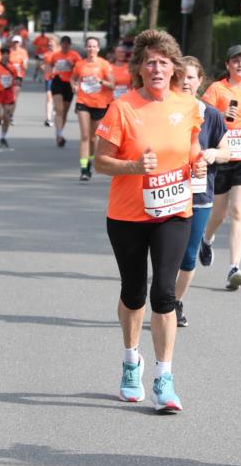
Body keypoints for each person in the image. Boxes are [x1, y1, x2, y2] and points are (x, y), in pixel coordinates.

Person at [95, 29, 206, 412]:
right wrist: (131, 165)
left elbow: (190, 144)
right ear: (139, 69)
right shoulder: (122, 108)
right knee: (133, 292)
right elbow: (100, 161)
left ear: (174, 68)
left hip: (174, 211)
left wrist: (198, 157)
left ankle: (164, 377)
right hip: (126, 215)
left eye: (164, 62)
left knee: (164, 293)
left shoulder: (188, 106)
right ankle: (130, 362)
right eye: (150, 62)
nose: (157, 68)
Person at [200, 44, 241, 290]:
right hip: (222, 155)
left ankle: (234, 268)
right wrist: (220, 112)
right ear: (228, 65)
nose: (240, 64)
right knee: (219, 214)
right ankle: (206, 240)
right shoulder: (217, 89)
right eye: (235, 61)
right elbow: (203, 118)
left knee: (239, 211)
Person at [174, 56, 230, 327]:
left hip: (199, 196)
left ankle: (175, 302)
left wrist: (213, 154)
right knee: (166, 255)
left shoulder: (213, 115)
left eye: (191, 77)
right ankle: (163, 299)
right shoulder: (163, 112)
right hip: (169, 195)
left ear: (200, 81)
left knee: (187, 256)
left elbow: (227, 152)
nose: (186, 81)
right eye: (181, 76)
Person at [72, 37, 114, 181]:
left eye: (94, 46)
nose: (91, 49)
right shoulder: (80, 64)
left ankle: (91, 159)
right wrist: (74, 86)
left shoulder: (104, 64)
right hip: (83, 101)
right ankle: (84, 168)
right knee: (84, 136)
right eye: (89, 46)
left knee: (94, 138)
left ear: (98, 49)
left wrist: (101, 81)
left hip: (100, 103)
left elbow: (112, 84)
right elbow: (73, 78)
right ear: (85, 48)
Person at [49, 35, 81, 146]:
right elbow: (50, 65)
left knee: (65, 111)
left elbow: (80, 69)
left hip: (69, 83)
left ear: (70, 45)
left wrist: (72, 65)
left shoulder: (75, 55)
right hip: (57, 81)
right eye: (63, 44)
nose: (65, 46)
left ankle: (59, 132)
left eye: (67, 44)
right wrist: (50, 74)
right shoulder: (56, 55)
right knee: (59, 109)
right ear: (61, 44)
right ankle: (60, 134)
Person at [0, 44, 18, 147]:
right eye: (4, 54)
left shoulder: (13, 68)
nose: (6, 56)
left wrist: (15, 82)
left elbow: (16, 79)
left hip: (8, 93)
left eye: (7, 54)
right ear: (1, 55)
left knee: (6, 117)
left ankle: (3, 137)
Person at [41, 36, 59, 126]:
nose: (50, 44)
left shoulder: (60, 53)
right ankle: (48, 119)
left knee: (57, 98)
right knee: (49, 97)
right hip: (49, 78)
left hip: (59, 79)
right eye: (49, 43)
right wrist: (44, 67)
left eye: (52, 43)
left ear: (56, 44)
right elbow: (43, 65)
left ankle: (55, 110)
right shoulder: (46, 54)